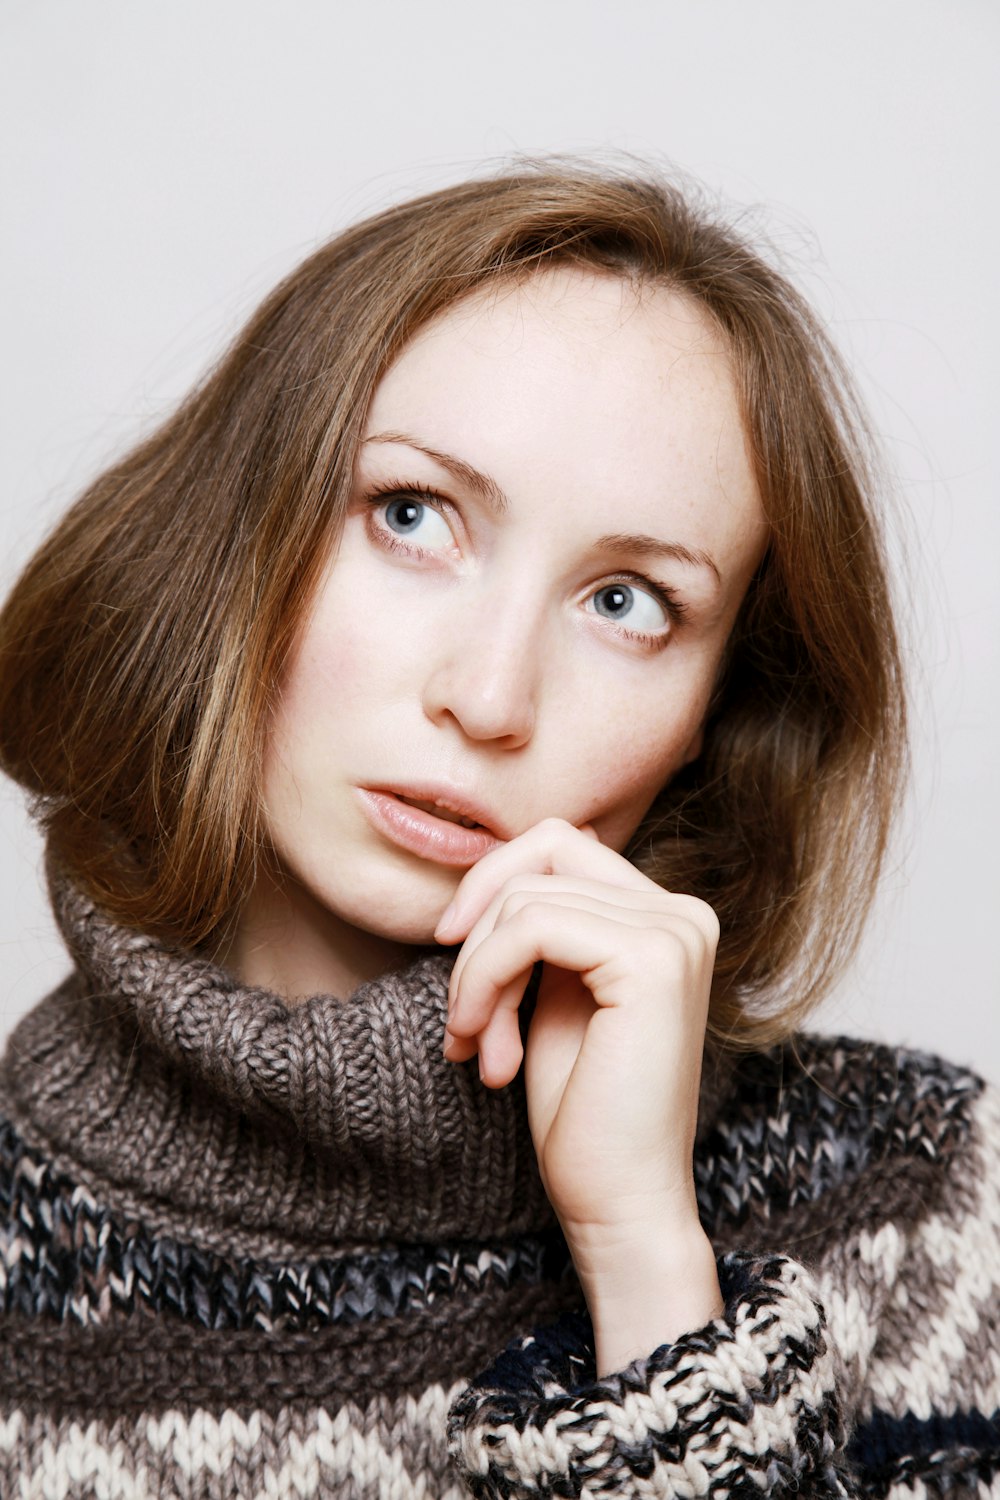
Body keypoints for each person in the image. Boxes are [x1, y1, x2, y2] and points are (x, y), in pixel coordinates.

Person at [0, 162, 996, 1499]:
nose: (488, 696)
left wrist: (649, 1269)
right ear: (238, 540)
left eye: (629, 602)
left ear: (719, 710)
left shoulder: (929, 1207)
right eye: (411, 519)